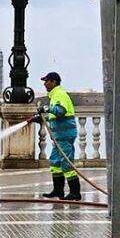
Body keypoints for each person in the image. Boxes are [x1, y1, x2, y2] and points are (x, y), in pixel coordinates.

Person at [31, 72, 81, 200]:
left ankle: (75, 192)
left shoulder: (60, 94)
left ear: (54, 82)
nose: (44, 84)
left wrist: (46, 109)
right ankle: (58, 191)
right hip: (58, 137)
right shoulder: (55, 96)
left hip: (65, 136)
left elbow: (60, 111)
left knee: (66, 164)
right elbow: (55, 115)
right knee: (55, 163)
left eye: (47, 81)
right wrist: (41, 118)